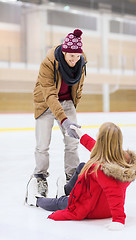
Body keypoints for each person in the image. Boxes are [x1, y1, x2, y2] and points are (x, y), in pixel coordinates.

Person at [26, 122, 136, 231]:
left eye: (98, 133)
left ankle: (35, 200)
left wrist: (119, 220)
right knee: (82, 166)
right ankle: (66, 190)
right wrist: (80, 134)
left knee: (60, 202)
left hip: (92, 209)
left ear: (101, 140)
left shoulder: (103, 170)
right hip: (103, 204)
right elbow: (95, 148)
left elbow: (115, 193)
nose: (96, 134)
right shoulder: (123, 158)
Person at [31, 28, 87, 197]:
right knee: (42, 144)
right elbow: (49, 94)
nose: (74, 60)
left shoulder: (81, 62)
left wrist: (71, 110)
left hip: (67, 102)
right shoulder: (48, 64)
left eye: (77, 56)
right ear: (64, 52)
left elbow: (79, 87)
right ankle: (40, 177)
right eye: (71, 56)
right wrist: (64, 120)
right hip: (46, 103)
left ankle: (72, 178)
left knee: (72, 142)